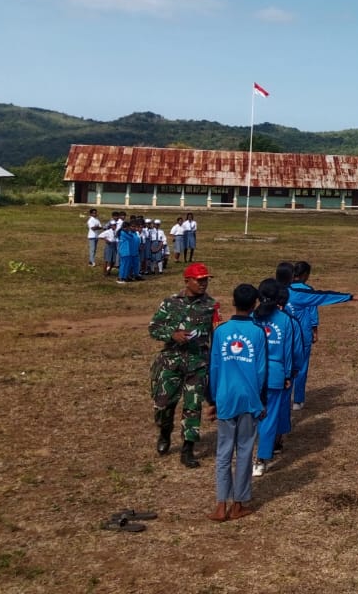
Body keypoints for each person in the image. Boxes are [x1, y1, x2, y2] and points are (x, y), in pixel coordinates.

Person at [207, 283, 268, 522]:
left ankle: (221, 504)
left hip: (225, 397)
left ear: (233, 302)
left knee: (223, 452)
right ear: (254, 305)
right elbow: (261, 370)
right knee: (244, 451)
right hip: (249, 398)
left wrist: (212, 399)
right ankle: (238, 504)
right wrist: (261, 401)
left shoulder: (221, 331)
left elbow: (214, 367)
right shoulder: (257, 332)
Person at [149, 263, 217, 467]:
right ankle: (164, 432)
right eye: (199, 280)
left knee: (193, 406)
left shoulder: (211, 306)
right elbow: (154, 328)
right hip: (171, 362)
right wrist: (172, 335)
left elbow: (217, 333)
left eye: (206, 279)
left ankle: (188, 449)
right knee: (163, 404)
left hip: (197, 364)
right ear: (187, 281)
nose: (203, 284)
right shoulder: (170, 303)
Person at [282, 260, 354, 411]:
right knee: (301, 367)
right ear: (305, 275)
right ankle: (298, 400)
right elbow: (313, 309)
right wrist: (315, 330)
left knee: (286, 365)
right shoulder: (307, 291)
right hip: (302, 335)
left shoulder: (283, 289)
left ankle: (285, 397)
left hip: (286, 336)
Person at [251, 278, 302, 477]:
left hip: (252, 375)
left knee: (252, 417)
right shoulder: (285, 320)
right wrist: (290, 373)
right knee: (269, 418)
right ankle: (261, 459)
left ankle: (251, 454)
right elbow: (290, 351)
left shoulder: (253, 316)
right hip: (275, 375)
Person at [117, 219, 143, 284]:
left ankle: (128, 276)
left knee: (130, 265)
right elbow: (130, 237)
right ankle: (122, 277)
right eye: (131, 227)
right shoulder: (125, 233)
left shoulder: (132, 233)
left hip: (132, 252)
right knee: (124, 265)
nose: (134, 228)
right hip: (126, 252)